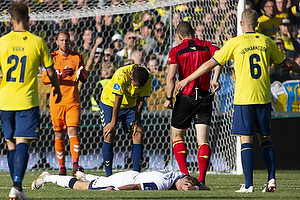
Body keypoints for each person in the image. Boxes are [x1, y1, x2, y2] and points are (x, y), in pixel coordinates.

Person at [175, 9, 300, 193]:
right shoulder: (267, 41)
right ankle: (271, 179)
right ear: (257, 25)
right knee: (266, 138)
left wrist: (186, 79)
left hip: (244, 98)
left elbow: (211, 63)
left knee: (245, 140)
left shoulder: (235, 42)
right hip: (264, 97)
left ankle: (249, 185)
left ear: (241, 24)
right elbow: (288, 63)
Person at [0, 2, 61, 199]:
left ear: (10, 20)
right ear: (29, 18)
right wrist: (57, 89)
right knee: (22, 141)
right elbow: (50, 71)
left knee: (10, 143)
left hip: (5, 100)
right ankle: (17, 185)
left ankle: (16, 186)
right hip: (26, 100)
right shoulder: (37, 41)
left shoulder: (2, 42)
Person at [164, 21, 222, 188]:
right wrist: (214, 79)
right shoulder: (207, 45)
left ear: (179, 36)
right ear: (193, 32)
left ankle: (186, 177)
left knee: (177, 136)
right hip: (205, 97)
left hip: (186, 97)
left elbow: (171, 77)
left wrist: (169, 98)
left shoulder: (176, 50)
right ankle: (202, 181)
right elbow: (220, 59)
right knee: (203, 141)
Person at [42, 30, 88, 176]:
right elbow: (45, 79)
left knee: (73, 131)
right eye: (61, 40)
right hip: (56, 102)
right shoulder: (51, 57)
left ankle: (75, 165)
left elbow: (84, 77)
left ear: (70, 41)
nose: (64, 42)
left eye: (66, 40)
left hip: (73, 101)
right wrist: (61, 74)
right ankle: (62, 167)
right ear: (57, 42)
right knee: (59, 134)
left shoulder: (77, 56)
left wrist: (80, 75)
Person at [100, 64, 151, 177]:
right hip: (110, 103)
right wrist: (113, 123)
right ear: (131, 76)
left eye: (139, 87)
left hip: (131, 106)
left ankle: (136, 175)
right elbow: (118, 99)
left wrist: (136, 122)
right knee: (109, 133)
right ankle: (109, 176)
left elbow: (141, 100)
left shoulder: (147, 76)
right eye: (135, 85)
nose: (136, 88)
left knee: (138, 132)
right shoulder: (121, 74)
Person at [31, 169, 209, 191]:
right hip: (123, 181)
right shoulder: (161, 185)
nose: (186, 189)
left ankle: (86, 175)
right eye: (188, 188)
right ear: (186, 183)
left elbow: (199, 185)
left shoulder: (176, 173)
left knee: (99, 180)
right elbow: (136, 187)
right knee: (82, 187)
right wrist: (116, 190)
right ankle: (48, 177)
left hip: (130, 173)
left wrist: (200, 187)